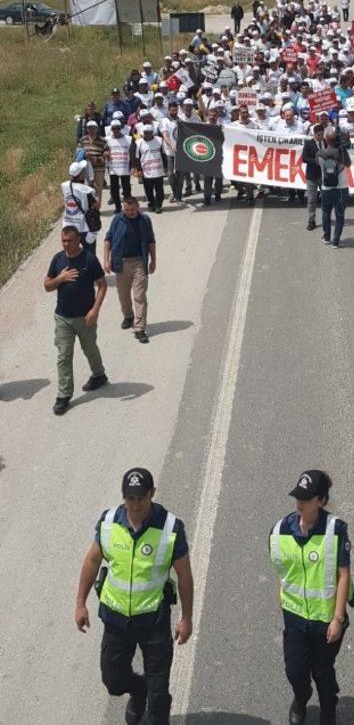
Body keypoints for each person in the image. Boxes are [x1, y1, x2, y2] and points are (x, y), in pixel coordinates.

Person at [74, 467, 193, 725]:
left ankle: (156, 702)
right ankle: (139, 690)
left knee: (159, 698)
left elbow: (184, 575)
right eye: (130, 498)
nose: (135, 504)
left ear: (152, 494)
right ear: (123, 497)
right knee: (113, 682)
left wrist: (186, 618)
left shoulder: (170, 528)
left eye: (141, 497)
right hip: (116, 622)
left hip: (154, 623)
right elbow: (93, 561)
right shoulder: (109, 523)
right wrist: (80, 603)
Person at [269, 470, 352, 725]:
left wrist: (338, 618)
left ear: (322, 501)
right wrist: (282, 601)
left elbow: (343, 575)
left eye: (307, 498)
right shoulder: (280, 530)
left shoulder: (335, 529)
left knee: (323, 672)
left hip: (326, 618)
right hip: (294, 617)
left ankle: (328, 711)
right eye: (298, 497)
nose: (300, 503)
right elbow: (281, 571)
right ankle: (301, 696)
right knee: (295, 671)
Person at [44, 225, 108, 416]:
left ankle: (99, 375)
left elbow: (102, 285)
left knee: (89, 348)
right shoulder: (58, 259)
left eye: (69, 240)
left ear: (78, 239)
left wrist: (95, 310)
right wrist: (60, 278)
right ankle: (64, 396)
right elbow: (47, 286)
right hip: (63, 317)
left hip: (85, 317)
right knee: (64, 355)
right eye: (63, 240)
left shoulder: (88, 258)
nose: (66, 244)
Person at [103, 196, 156, 344]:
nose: (130, 212)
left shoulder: (144, 221)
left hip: (139, 262)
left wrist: (153, 261)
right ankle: (128, 316)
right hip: (121, 263)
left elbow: (151, 241)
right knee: (123, 295)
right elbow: (108, 240)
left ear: (138, 207)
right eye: (127, 210)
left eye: (132, 210)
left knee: (140, 296)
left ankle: (139, 328)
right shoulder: (117, 220)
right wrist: (106, 260)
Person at [317, 127, 350, 248]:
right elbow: (348, 164)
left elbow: (317, 164)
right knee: (340, 215)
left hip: (326, 189)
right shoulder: (340, 153)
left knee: (326, 213)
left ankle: (326, 237)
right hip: (341, 188)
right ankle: (335, 241)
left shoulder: (319, 154)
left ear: (326, 140)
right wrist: (343, 149)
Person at [60, 159, 100, 249]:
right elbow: (97, 206)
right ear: (80, 174)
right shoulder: (86, 190)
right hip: (84, 227)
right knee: (89, 255)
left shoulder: (64, 185)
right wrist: (96, 193)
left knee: (71, 252)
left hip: (68, 226)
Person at [136, 122, 167, 213]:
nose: (147, 134)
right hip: (146, 170)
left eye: (149, 132)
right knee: (148, 190)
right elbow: (137, 157)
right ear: (143, 133)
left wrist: (165, 166)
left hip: (158, 169)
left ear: (152, 132)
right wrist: (139, 170)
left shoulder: (159, 140)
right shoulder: (139, 143)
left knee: (159, 189)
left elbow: (164, 154)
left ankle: (158, 205)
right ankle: (151, 204)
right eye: (145, 132)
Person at [105, 118, 134, 212]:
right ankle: (118, 207)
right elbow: (104, 150)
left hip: (125, 167)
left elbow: (132, 153)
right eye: (114, 129)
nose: (116, 130)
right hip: (113, 168)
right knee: (114, 190)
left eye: (118, 128)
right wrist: (105, 153)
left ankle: (128, 207)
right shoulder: (107, 139)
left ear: (121, 128)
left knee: (126, 190)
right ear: (111, 129)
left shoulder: (128, 139)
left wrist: (133, 165)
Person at [301, 122, 325, 231]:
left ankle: (326, 218)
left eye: (322, 134)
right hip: (312, 175)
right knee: (311, 199)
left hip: (324, 176)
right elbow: (304, 158)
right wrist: (316, 161)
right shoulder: (309, 143)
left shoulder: (326, 142)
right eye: (318, 135)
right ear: (314, 134)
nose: (320, 137)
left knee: (326, 198)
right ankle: (311, 220)